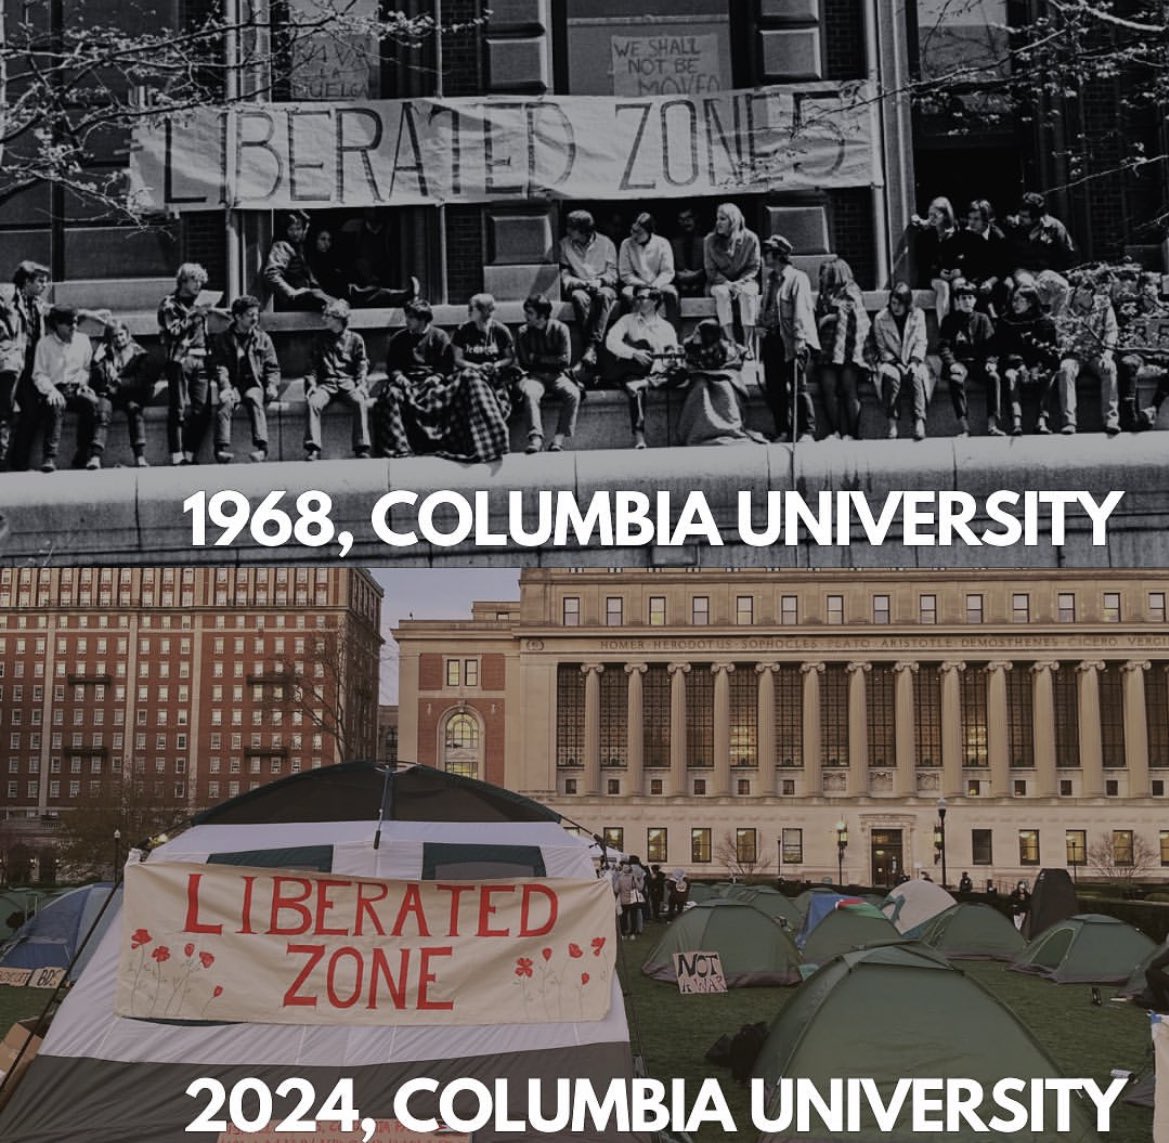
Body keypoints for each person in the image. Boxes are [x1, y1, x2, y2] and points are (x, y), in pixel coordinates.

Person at [377, 299, 458, 458]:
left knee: (441, 396)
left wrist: (437, 376)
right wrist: (399, 376)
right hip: (406, 382)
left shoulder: (439, 336)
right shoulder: (399, 338)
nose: (406, 321)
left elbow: (447, 364)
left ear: (422, 319)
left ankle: (436, 444)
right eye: (406, 317)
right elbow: (392, 365)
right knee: (391, 396)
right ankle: (400, 446)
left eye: (410, 318)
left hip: (430, 381)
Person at [605, 284, 681, 449]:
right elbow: (610, 341)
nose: (637, 301)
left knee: (682, 372)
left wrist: (670, 359)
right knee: (635, 389)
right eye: (636, 298)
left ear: (654, 301)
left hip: (659, 372)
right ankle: (639, 438)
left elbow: (671, 353)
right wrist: (633, 353)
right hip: (635, 371)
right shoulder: (627, 320)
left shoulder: (666, 327)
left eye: (642, 298)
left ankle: (647, 382)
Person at [759, 234, 819, 442]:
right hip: (772, 340)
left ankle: (806, 430)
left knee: (798, 387)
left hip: (791, 340)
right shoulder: (770, 280)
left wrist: (800, 341)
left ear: (778, 255)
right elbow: (766, 307)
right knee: (775, 388)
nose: (763, 257)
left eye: (767, 252)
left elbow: (801, 311)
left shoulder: (797, 278)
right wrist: (760, 327)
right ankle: (783, 429)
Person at [23, 305, 97, 472]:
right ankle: (49, 457)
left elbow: (86, 368)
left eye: (76, 323)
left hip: (76, 388)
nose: (74, 327)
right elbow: (39, 374)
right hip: (54, 389)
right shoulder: (45, 344)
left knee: (91, 404)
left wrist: (83, 384)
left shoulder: (83, 340)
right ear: (57, 324)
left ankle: (82, 454)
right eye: (69, 324)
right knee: (56, 406)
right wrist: (51, 391)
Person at [211, 295, 281, 464]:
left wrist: (272, 385)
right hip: (233, 384)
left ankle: (262, 449)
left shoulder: (263, 339)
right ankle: (220, 450)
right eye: (250, 315)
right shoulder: (222, 339)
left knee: (254, 399)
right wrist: (225, 387)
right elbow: (220, 367)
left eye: (256, 314)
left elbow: (272, 367)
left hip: (253, 383)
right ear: (238, 317)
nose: (254, 319)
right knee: (226, 404)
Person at [157, 262, 215, 465]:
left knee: (203, 409)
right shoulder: (169, 303)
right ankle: (177, 455)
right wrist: (194, 315)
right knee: (178, 407)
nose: (198, 284)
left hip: (202, 358)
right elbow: (172, 330)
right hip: (181, 359)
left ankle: (190, 453)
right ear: (183, 280)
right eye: (194, 280)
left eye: (201, 280)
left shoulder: (200, 302)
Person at [447, 293, 515, 462]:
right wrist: (478, 367)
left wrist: (495, 366)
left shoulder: (500, 331)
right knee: (473, 380)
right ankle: (493, 437)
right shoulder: (463, 330)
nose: (469, 311)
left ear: (484, 311)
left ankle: (492, 440)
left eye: (473, 308)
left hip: (493, 378)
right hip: (469, 376)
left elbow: (510, 358)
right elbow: (458, 360)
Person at [677, 319, 766, 447]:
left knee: (725, 388)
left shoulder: (725, 349)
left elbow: (734, 364)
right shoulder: (690, 346)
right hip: (700, 377)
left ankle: (728, 426)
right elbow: (689, 366)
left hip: (722, 376)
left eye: (698, 333)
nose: (694, 335)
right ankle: (700, 429)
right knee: (700, 388)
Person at [302, 299, 371, 460]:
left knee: (360, 402)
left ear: (338, 318)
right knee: (313, 403)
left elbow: (362, 365)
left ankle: (361, 447)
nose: (323, 319)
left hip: (348, 383)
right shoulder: (319, 340)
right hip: (327, 384)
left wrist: (361, 385)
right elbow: (311, 368)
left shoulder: (355, 339)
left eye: (327, 316)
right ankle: (313, 448)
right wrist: (312, 385)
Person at [1054, 272, 1120, 436]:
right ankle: (1069, 421)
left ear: (1090, 292)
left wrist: (1107, 354)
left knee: (1110, 368)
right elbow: (1060, 333)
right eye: (1076, 290)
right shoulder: (1067, 306)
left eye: (1081, 291)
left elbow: (1112, 331)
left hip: (1096, 352)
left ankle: (1110, 419)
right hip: (1074, 353)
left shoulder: (1104, 304)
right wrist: (1068, 343)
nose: (1076, 294)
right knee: (1065, 369)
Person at [513, 293, 580, 454]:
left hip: (558, 375)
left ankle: (558, 440)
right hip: (535, 376)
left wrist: (537, 357)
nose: (525, 316)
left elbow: (565, 360)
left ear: (542, 315)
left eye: (530, 313)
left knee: (573, 394)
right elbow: (524, 362)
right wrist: (549, 360)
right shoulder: (522, 332)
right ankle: (536, 439)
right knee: (530, 393)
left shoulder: (560, 329)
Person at [0, 261, 51, 469]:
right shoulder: (6, 296)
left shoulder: (37, 303)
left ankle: (18, 463)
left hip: (28, 369)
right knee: (3, 414)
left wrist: (90, 315)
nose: (44, 285)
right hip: (9, 367)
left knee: (31, 411)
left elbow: (57, 313)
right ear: (26, 281)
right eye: (40, 281)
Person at [814, 256, 870, 441]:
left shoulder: (852, 291)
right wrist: (831, 317)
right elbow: (819, 319)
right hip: (827, 348)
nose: (821, 279)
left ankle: (853, 434)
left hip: (848, 348)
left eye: (825, 275)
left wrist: (834, 312)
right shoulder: (824, 296)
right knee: (828, 387)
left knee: (848, 388)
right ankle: (835, 431)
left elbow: (856, 318)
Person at [994, 283, 1060, 435]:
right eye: (1013, 300)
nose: (1014, 304)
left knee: (1049, 375)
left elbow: (1050, 349)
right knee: (1010, 376)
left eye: (1019, 300)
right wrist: (1021, 366)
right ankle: (1016, 422)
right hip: (1015, 364)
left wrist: (1037, 367)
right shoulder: (1006, 322)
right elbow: (1005, 349)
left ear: (1030, 302)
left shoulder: (1045, 322)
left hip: (1038, 365)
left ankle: (1042, 421)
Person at [559, 210, 618, 371]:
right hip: (580, 286)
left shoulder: (606, 243)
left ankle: (590, 347)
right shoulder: (564, 244)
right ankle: (592, 348)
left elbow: (613, 273)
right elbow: (564, 273)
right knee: (578, 298)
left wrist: (600, 281)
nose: (567, 231)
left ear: (583, 230)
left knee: (604, 295)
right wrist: (579, 283)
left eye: (571, 228)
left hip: (602, 285)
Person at [937, 278, 997, 437]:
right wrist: (952, 364)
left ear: (975, 300)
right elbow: (943, 347)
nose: (967, 301)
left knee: (993, 377)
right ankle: (964, 427)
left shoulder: (983, 319)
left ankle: (992, 424)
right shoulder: (949, 320)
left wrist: (990, 362)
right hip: (959, 364)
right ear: (957, 301)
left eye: (970, 297)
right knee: (955, 380)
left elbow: (992, 346)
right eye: (963, 298)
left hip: (978, 364)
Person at [89, 320, 152, 468]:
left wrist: (120, 383)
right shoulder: (105, 354)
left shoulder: (139, 353)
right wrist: (97, 361)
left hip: (129, 394)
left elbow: (141, 380)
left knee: (135, 411)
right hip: (109, 393)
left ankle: (140, 456)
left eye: (121, 335)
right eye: (115, 336)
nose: (119, 339)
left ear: (128, 334)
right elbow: (98, 381)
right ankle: (95, 456)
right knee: (102, 413)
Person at [872, 282, 931, 440]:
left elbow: (921, 341)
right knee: (892, 377)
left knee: (916, 376)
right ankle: (892, 425)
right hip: (890, 362)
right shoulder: (880, 318)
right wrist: (897, 364)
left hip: (914, 360)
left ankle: (919, 422)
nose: (896, 307)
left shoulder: (918, 315)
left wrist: (913, 361)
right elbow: (881, 348)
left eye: (900, 304)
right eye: (893, 303)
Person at [705, 203, 761, 355]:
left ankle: (748, 344)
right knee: (722, 294)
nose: (718, 223)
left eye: (722, 219)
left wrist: (739, 283)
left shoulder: (751, 238)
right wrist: (728, 284)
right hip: (720, 282)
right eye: (717, 219)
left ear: (733, 221)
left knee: (748, 293)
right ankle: (731, 342)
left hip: (744, 281)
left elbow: (754, 267)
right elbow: (710, 270)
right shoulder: (709, 241)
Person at [336, 208, 419, 307]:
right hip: (361, 284)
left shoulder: (392, 230)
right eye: (370, 209)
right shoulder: (354, 230)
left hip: (382, 281)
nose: (374, 212)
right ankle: (405, 295)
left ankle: (404, 296)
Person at [264, 210, 333, 312]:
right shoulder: (282, 246)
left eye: (298, 229)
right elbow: (271, 274)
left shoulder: (300, 248)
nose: (295, 233)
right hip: (294, 303)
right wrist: (291, 293)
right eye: (291, 229)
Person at [618, 212, 678, 323]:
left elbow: (667, 271)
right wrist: (641, 284)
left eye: (639, 232)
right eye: (632, 231)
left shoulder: (662, 243)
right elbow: (625, 273)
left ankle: (674, 333)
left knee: (671, 293)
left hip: (659, 284)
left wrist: (655, 285)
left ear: (649, 232)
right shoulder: (626, 244)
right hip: (636, 285)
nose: (634, 235)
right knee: (626, 294)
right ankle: (627, 334)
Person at [912, 196, 963, 325]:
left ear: (945, 216)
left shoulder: (957, 231)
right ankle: (944, 329)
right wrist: (939, 272)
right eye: (929, 215)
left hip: (954, 273)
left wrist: (957, 270)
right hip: (933, 276)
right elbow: (923, 263)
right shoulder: (926, 236)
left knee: (960, 285)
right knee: (943, 286)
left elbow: (963, 255)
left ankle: (962, 327)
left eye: (935, 215)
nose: (931, 218)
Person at [957, 200, 1010, 317]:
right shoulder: (966, 234)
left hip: (994, 277)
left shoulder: (998, 237)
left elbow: (1004, 267)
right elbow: (965, 261)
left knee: (1005, 289)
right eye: (970, 218)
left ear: (986, 220)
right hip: (974, 277)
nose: (971, 223)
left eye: (976, 219)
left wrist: (990, 282)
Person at [1007, 191, 1077, 275]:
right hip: (1022, 271)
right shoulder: (1013, 227)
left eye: (1025, 217)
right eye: (1020, 215)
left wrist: (1068, 273)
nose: (1020, 219)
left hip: (1048, 272)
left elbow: (1069, 252)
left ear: (1036, 217)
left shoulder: (1054, 227)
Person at [671, 207, 706, 298]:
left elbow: (710, 267)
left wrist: (696, 274)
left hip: (701, 284)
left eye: (688, 218)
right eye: (682, 219)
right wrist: (678, 275)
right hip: (679, 285)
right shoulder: (673, 243)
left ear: (695, 219)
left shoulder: (705, 242)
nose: (685, 222)